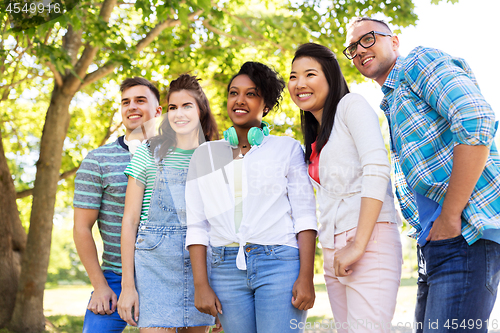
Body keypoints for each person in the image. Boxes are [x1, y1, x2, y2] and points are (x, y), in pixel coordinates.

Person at [345, 17, 500, 332]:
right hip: (435, 245)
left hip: (465, 235)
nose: (359, 50)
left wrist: (451, 215)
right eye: (352, 47)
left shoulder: (418, 62)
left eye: (368, 38)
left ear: (395, 41)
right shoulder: (391, 102)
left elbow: (475, 119)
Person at [185, 61, 318, 333]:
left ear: (265, 104)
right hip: (224, 268)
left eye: (251, 93)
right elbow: (197, 225)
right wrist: (201, 284)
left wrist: (306, 276)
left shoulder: (287, 149)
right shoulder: (204, 155)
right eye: (234, 93)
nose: (240, 100)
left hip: (279, 263)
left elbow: (305, 216)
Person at [288, 42, 402, 332]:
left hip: (367, 241)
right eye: (293, 76)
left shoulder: (352, 105)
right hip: (333, 249)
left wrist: (358, 245)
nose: (299, 83)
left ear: (331, 77)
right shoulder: (317, 134)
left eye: (309, 74)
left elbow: (377, 168)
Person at [117, 74, 219, 332]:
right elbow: (129, 222)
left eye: (187, 106)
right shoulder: (149, 152)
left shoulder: (214, 155)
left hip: (202, 265)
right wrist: (128, 286)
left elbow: (221, 224)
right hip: (155, 266)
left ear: (201, 110)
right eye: (173, 107)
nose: (178, 113)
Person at [73, 77, 162, 332]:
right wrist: (100, 286)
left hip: (165, 273)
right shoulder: (98, 160)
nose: (131, 106)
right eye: (126, 102)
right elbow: (81, 228)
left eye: (140, 100)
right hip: (113, 277)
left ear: (158, 111)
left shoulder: (177, 157)